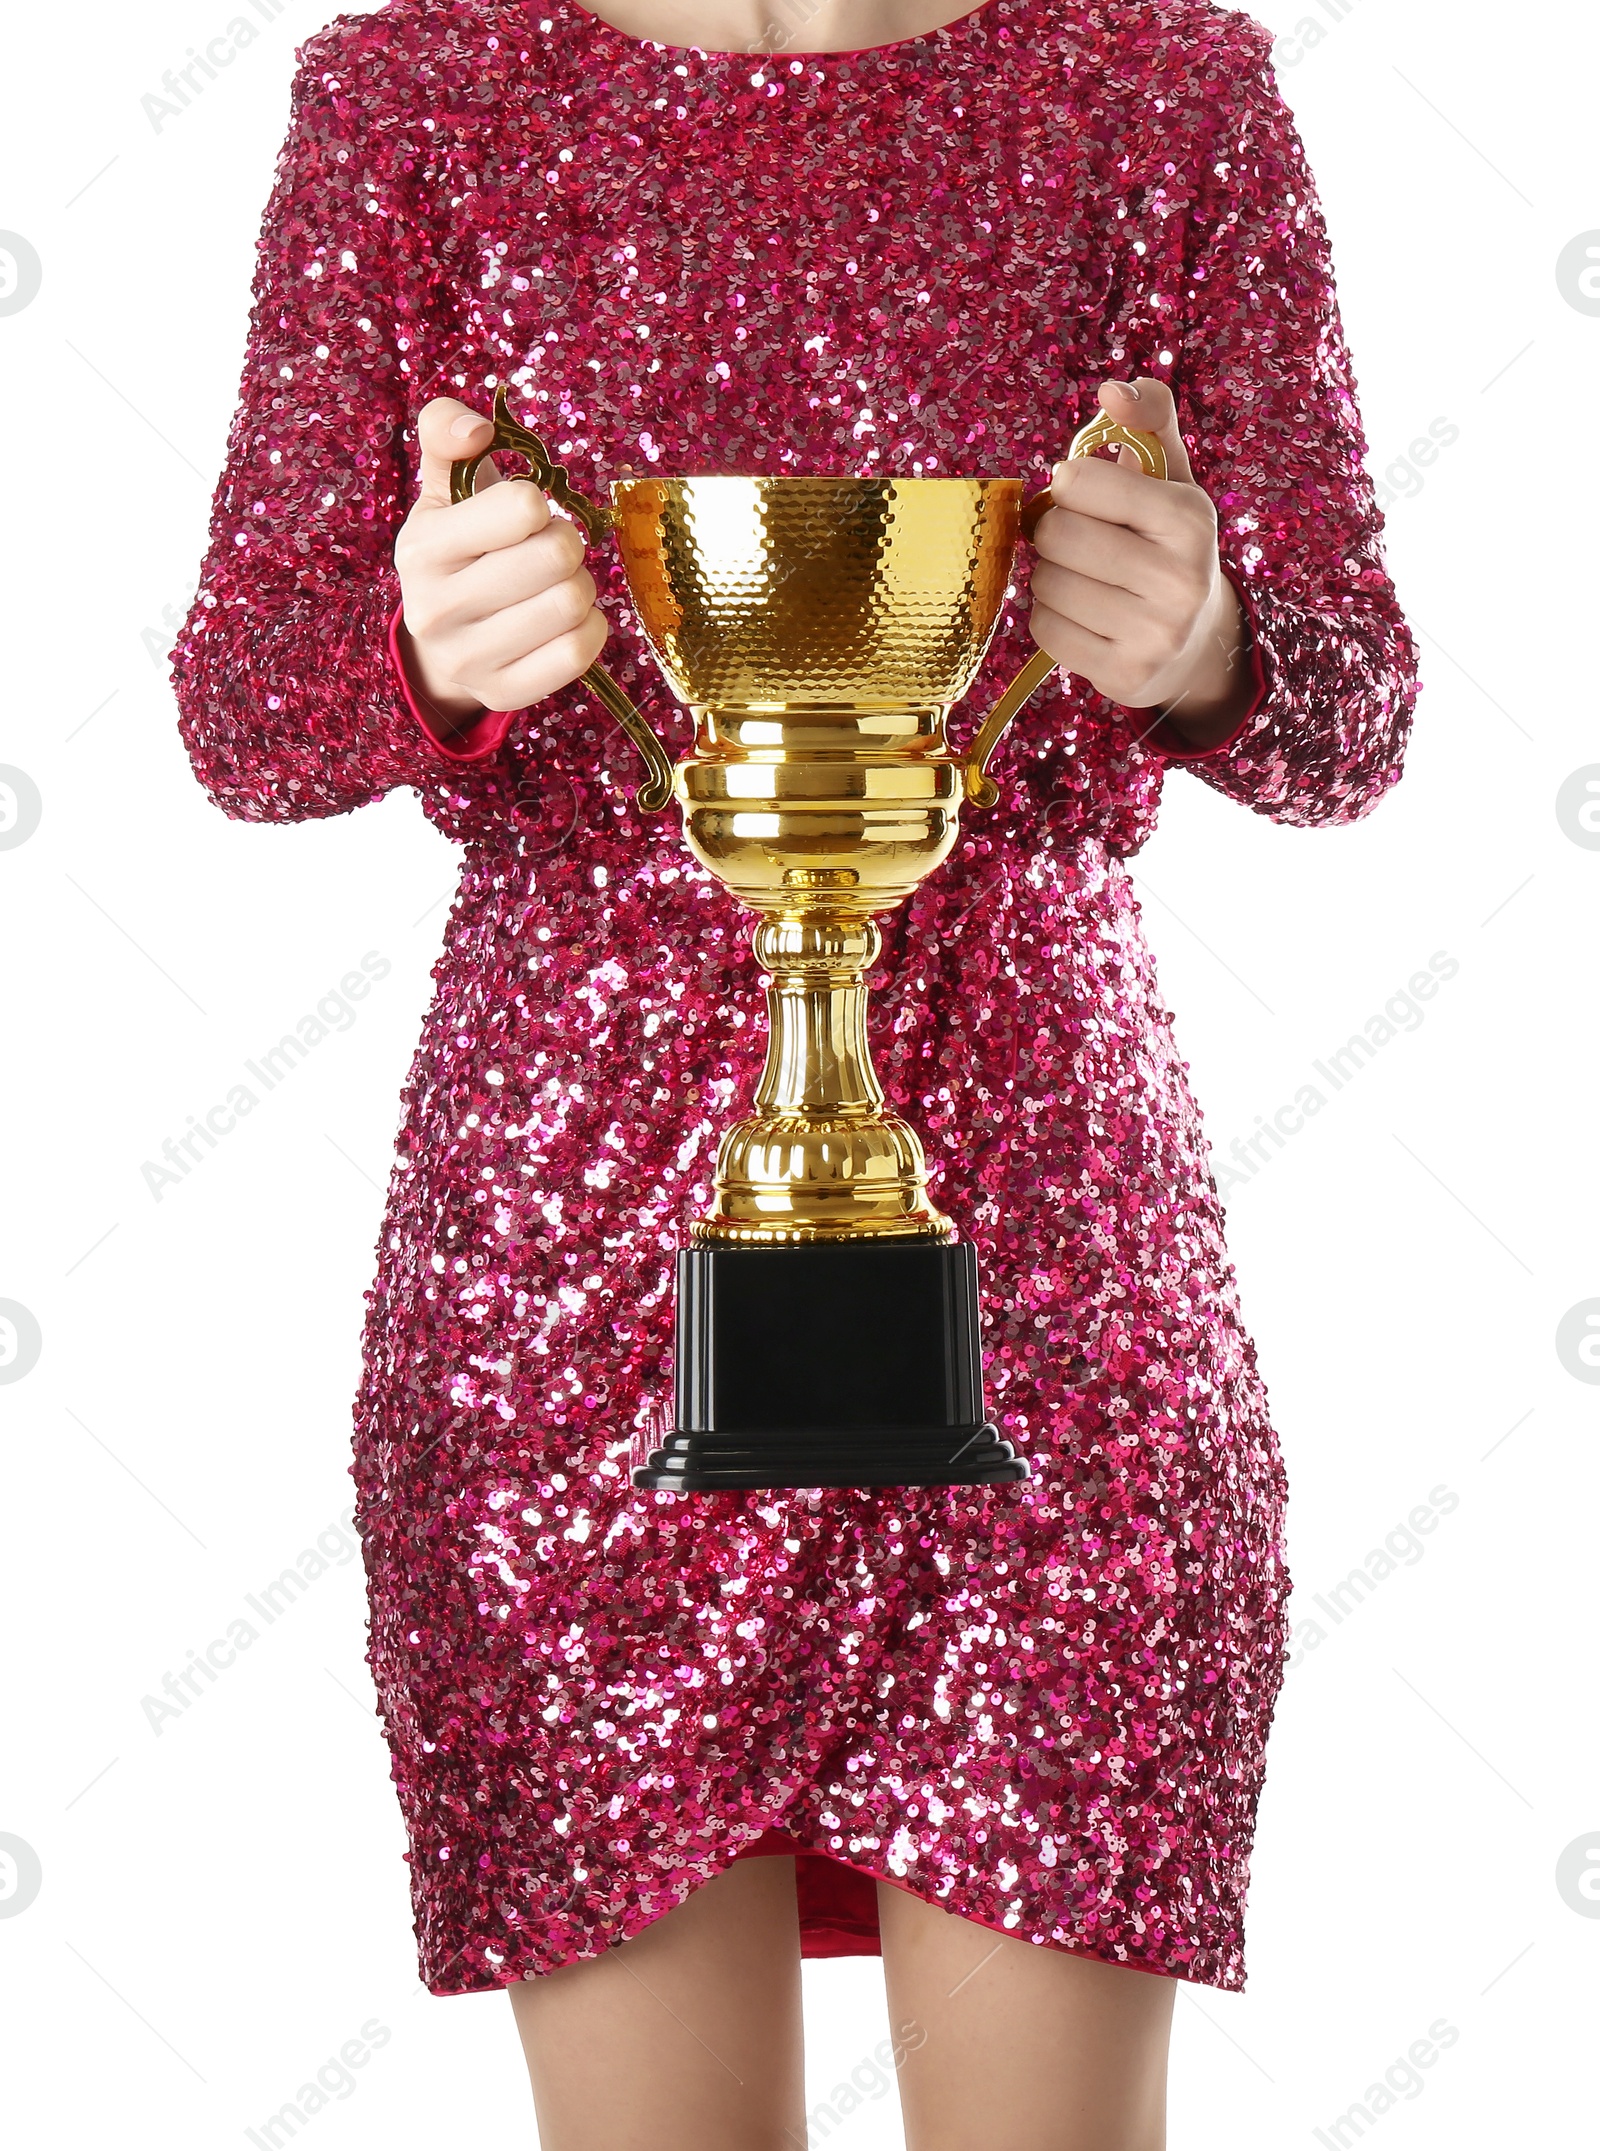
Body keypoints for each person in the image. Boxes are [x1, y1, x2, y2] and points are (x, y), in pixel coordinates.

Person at [170, 1, 1419, 2144]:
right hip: (571, 1307)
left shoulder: (1158, 88)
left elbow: (1352, 711)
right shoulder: (411, 99)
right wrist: (416, 652)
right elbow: (245, 707)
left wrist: (1208, 652)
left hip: (1047, 1288)